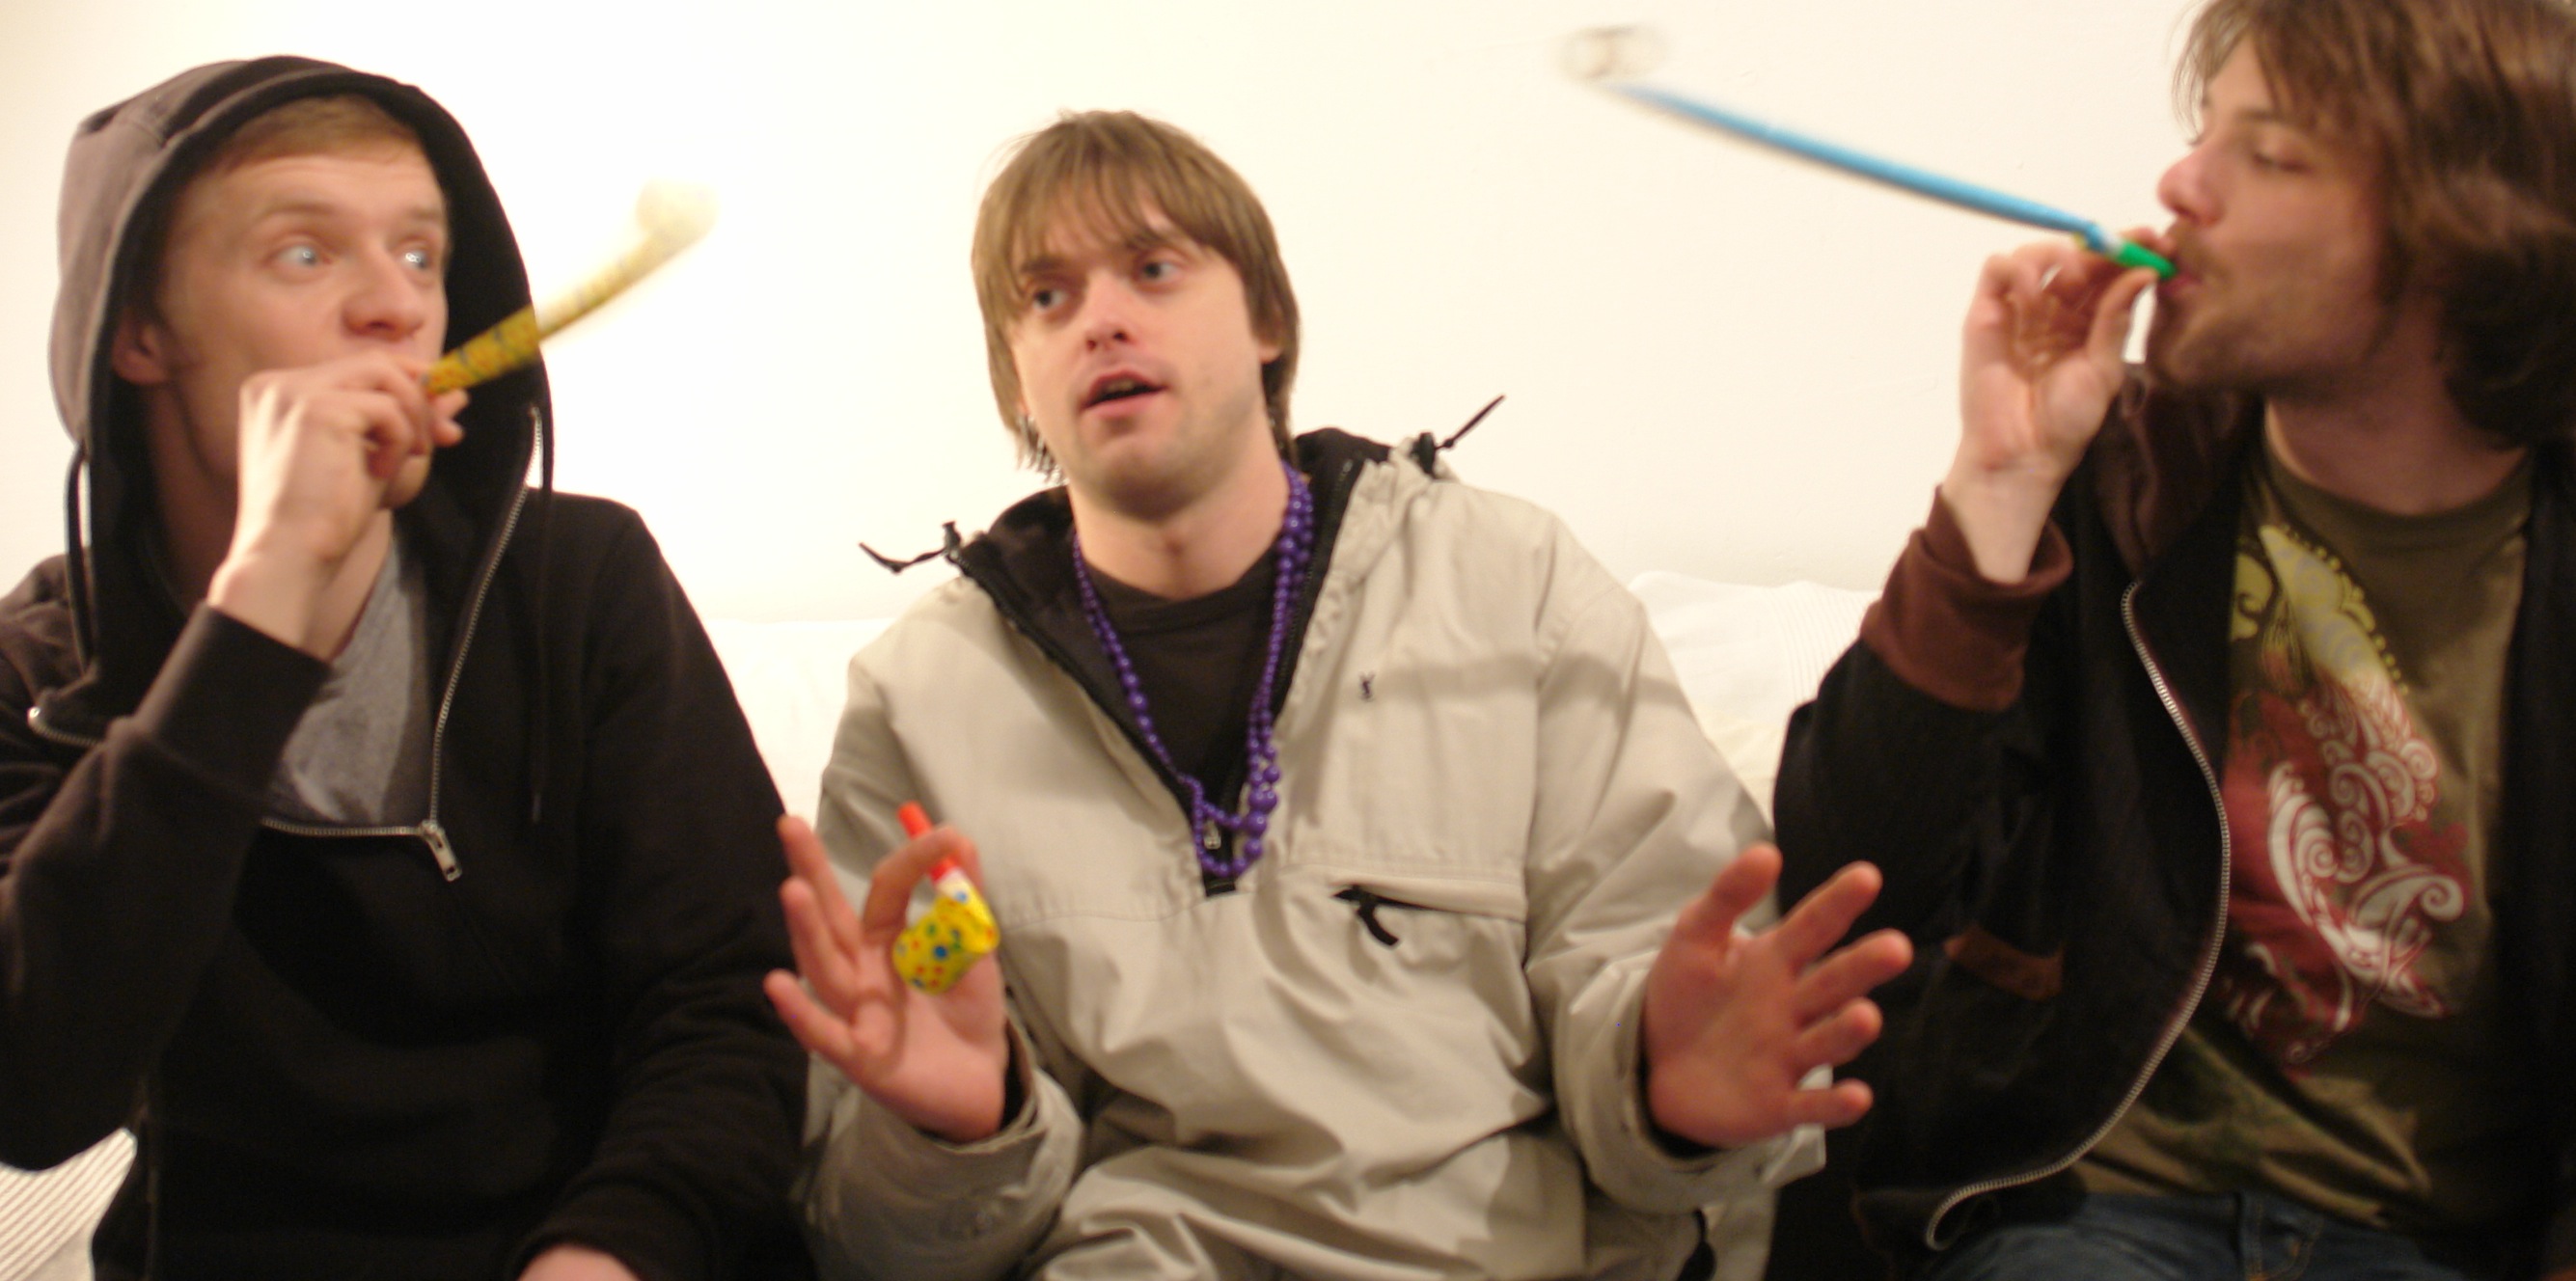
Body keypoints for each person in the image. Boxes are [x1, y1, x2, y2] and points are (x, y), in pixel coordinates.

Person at [761, 110, 1913, 1281]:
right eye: (1045, 297)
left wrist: (1668, 1089)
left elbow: (1667, 1029)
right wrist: (960, 1131)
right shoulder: (923, 701)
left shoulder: (1512, 588)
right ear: (1015, 377)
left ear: (1268, 317)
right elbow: (868, 1235)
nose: (1099, 317)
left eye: (1153, 269)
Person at [1771, 0, 2576, 1275]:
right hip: (2089, 1213)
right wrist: (1998, 482)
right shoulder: (2124, 485)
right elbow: (1845, 879)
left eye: (2268, 152)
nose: (2179, 184)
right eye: (2206, 131)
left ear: (2464, 233)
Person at [0, 57, 808, 1279]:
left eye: (422, 255)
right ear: (138, 329)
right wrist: (266, 596)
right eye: (305, 253)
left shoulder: (581, 582)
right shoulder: (41, 673)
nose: (396, 304)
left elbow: (732, 1006)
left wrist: (607, 1252)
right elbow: (34, 1092)